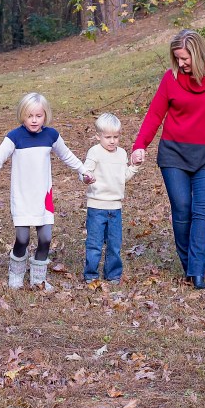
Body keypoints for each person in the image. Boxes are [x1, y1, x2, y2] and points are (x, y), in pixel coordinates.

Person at [130, 30, 205, 290]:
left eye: (185, 58)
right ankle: (189, 264)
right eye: (177, 58)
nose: (181, 63)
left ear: (198, 54)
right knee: (183, 208)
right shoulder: (171, 78)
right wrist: (140, 145)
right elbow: (155, 114)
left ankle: (197, 272)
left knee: (204, 210)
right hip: (174, 154)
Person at [0, 92, 94, 291]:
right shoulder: (14, 137)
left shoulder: (51, 136)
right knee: (22, 239)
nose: (34, 120)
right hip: (22, 197)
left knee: (45, 239)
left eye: (38, 116)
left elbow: (67, 156)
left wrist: (84, 171)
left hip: (43, 198)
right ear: (22, 115)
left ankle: (39, 279)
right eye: (29, 116)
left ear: (45, 115)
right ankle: (16, 274)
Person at [80, 113, 140, 284]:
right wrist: (87, 178)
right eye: (108, 137)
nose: (112, 141)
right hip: (97, 206)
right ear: (98, 136)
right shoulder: (95, 152)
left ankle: (113, 274)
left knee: (114, 243)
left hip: (115, 207)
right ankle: (91, 274)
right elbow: (85, 172)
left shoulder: (121, 154)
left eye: (116, 137)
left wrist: (134, 167)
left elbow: (123, 177)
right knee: (94, 243)